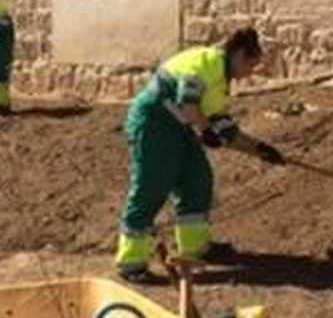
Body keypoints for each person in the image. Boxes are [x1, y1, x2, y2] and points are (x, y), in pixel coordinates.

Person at [115, 27, 285, 281]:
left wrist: (260, 150)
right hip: (153, 124)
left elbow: (224, 129)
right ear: (239, 55)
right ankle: (131, 263)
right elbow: (188, 101)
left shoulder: (222, 83)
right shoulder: (208, 63)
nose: (250, 74)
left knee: (197, 180)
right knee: (152, 187)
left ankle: (195, 248)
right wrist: (205, 131)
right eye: (250, 65)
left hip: (180, 129)